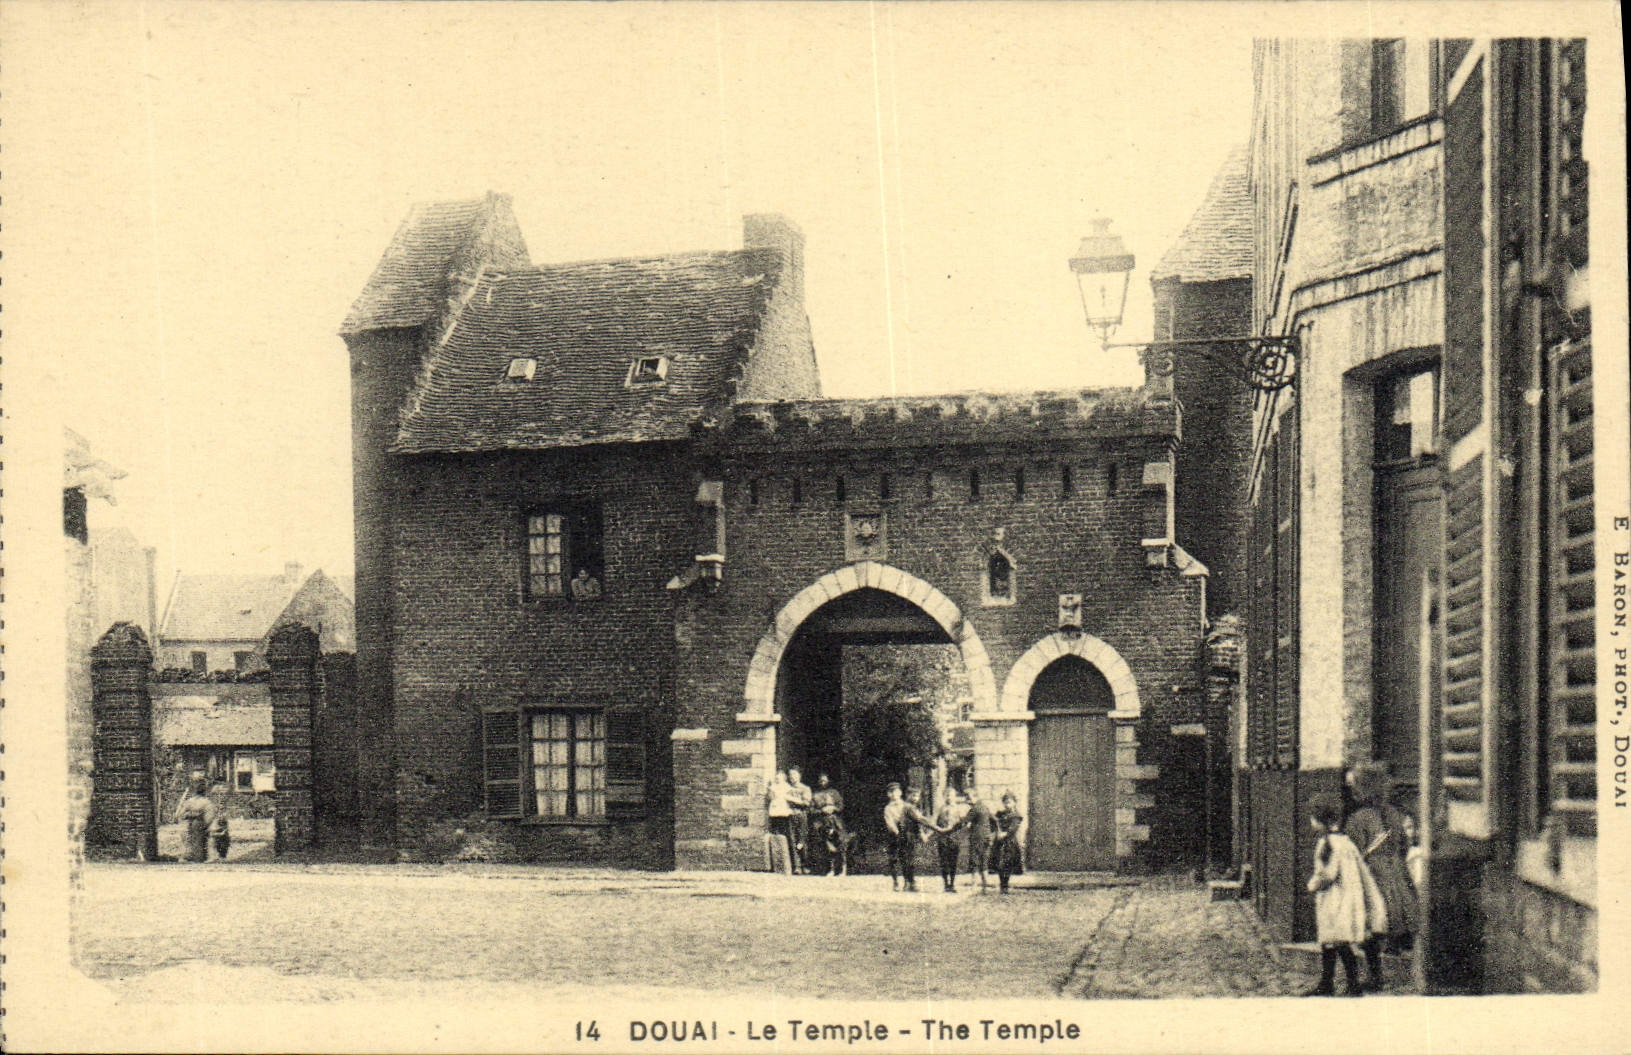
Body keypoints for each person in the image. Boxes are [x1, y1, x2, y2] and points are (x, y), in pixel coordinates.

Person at [1304, 792, 1387, 997]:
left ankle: (1350, 985)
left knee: (1337, 942)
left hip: (1335, 901)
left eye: (1313, 817)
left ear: (1320, 820)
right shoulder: (1346, 843)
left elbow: (1327, 875)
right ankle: (1328, 983)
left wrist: (1313, 885)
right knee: (1331, 942)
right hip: (1346, 899)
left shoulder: (1327, 845)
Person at [1345, 762, 1420, 991]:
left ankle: (1376, 975)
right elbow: (1404, 844)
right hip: (1396, 871)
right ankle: (1397, 962)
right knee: (1396, 916)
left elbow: (1355, 851)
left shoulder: (1358, 819)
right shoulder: (1394, 814)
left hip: (1372, 873)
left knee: (1371, 921)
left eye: (1353, 787)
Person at [882, 783, 941, 892]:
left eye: (896, 792)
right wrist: (896, 832)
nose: (894, 795)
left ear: (900, 793)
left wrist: (927, 830)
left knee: (908, 859)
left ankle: (908, 882)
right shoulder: (888, 808)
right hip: (894, 835)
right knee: (893, 859)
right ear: (888, 795)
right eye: (891, 792)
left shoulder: (906, 806)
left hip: (906, 835)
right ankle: (895, 882)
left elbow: (918, 819)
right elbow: (889, 822)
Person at [934, 788, 971, 892]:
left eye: (951, 795)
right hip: (943, 838)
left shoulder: (959, 809)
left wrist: (962, 826)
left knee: (953, 861)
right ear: (944, 797)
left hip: (954, 838)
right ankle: (946, 884)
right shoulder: (940, 809)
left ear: (955, 797)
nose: (949, 797)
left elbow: (964, 823)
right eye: (947, 795)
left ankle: (952, 884)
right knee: (944, 862)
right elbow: (935, 822)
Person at [811, 773, 848, 876]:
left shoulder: (834, 793)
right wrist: (821, 810)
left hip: (835, 821)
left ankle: (842, 869)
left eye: (825, 780)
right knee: (826, 845)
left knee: (840, 843)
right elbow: (811, 809)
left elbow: (841, 806)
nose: (823, 783)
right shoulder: (815, 795)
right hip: (822, 821)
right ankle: (830, 869)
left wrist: (833, 808)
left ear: (828, 781)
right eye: (821, 781)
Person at [174, 776, 216, 863]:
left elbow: (180, 815)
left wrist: (188, 816)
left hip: (190, 827)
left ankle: (192, 855)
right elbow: (209, 818)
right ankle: (198, 856)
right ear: (204, 791)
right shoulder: (206, 802)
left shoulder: (189, 802)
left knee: (191, 841)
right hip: (197, 827)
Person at [990, 791, 1025, 893]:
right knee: (999, 863)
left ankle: (1005, 884)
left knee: (1007, 863)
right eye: (1005, 802)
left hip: (1010, 842)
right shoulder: (1000, 814)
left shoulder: (1016, 816)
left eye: (1009, 802)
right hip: (1000, 842)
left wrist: (1005, 834)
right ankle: (1002, 884)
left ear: (1014, 803)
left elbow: (1013, 828)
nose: (1007, 805)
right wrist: (996, 830)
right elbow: (993, 823)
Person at [963, 786, 995, 891]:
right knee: (984, 860)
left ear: (976, 797)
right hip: (986, 838)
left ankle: (974, 884)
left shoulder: (974, 809)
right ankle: (985, 884)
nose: (967, 800)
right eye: (966, 798)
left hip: (976, 838)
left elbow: (964, 821)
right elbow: (994, 820)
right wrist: (990, 833)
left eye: (969, 797)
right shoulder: (985, 807)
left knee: (974, 860)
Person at [765, 770, 794, 873]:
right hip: (775, 810)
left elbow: (791, 799)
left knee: (784, 833)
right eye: (776, 778)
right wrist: (770, 790)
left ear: (784, 778)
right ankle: (775, 862)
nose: (778, 779)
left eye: (780, 778)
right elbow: (770, 797)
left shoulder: (787, 787)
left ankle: (787, 862)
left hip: (783, 811)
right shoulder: (773, 787)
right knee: (775, 832)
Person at [786, 767, 813, 874]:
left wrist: (792, 799)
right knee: (792, 839)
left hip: (801, 815)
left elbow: (806, 802)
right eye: (790, 775)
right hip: (790, 815)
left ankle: (805, 864)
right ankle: (796, 866)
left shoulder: (805, 788)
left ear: (799, 776)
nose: (792, 777)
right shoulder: (787, 788)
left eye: (795, 775)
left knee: (802, 839)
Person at [208, 782, 232, 861]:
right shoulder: (213, 802)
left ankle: (222, 855)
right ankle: (215, 855)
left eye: (222, 794)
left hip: (222, 820)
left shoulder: (223, 803)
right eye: (219, 794)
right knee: (214, 837)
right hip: (215, 820)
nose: (220, 796)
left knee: (223, 836)